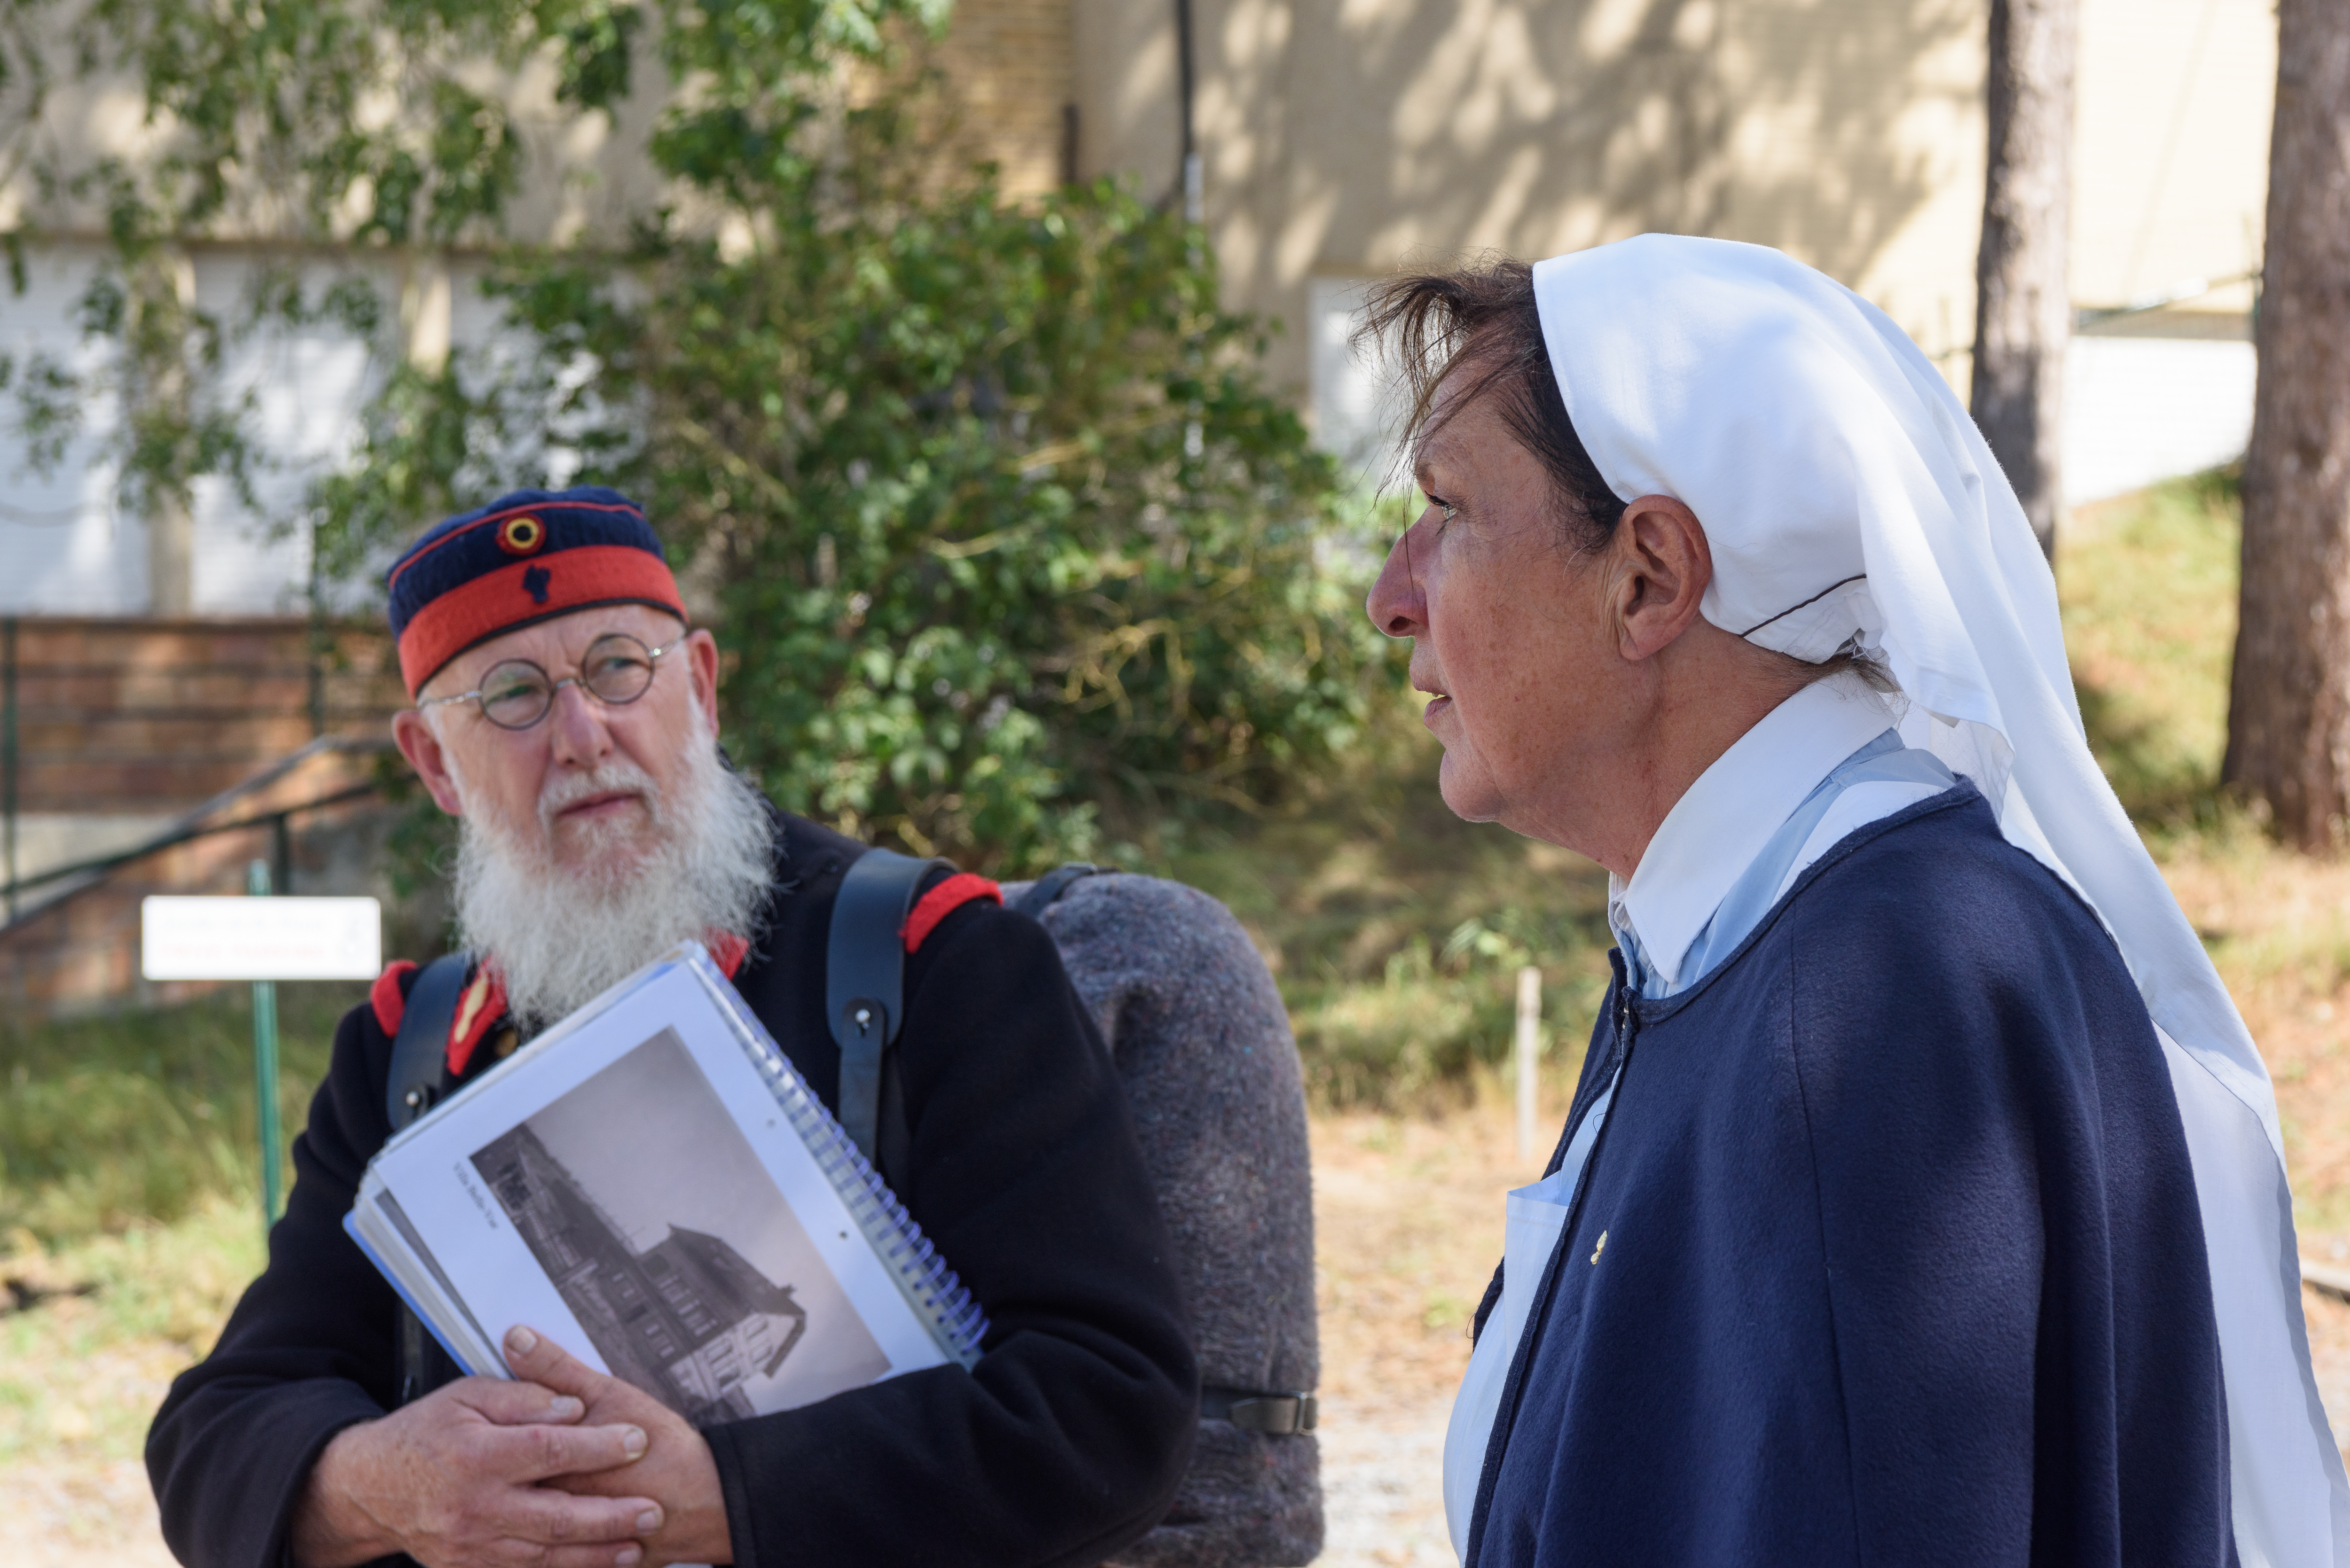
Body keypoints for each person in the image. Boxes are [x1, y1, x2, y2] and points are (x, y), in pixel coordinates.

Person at [1360, 238, 2350, 1567]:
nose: (1390, 597)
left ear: (1649, 574)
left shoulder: (1878, 992)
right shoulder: (1739, 947)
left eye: (1450, 511)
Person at [146, 488, 1198, 1568]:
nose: (580, 734)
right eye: (511, 697)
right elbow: (213, 1436)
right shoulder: (410, 1049)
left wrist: (726, 1497)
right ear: (432, 765)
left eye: (616, 668)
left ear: (696, 685)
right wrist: (373, 1484)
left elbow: (1107, 1407)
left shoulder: (940, 964)